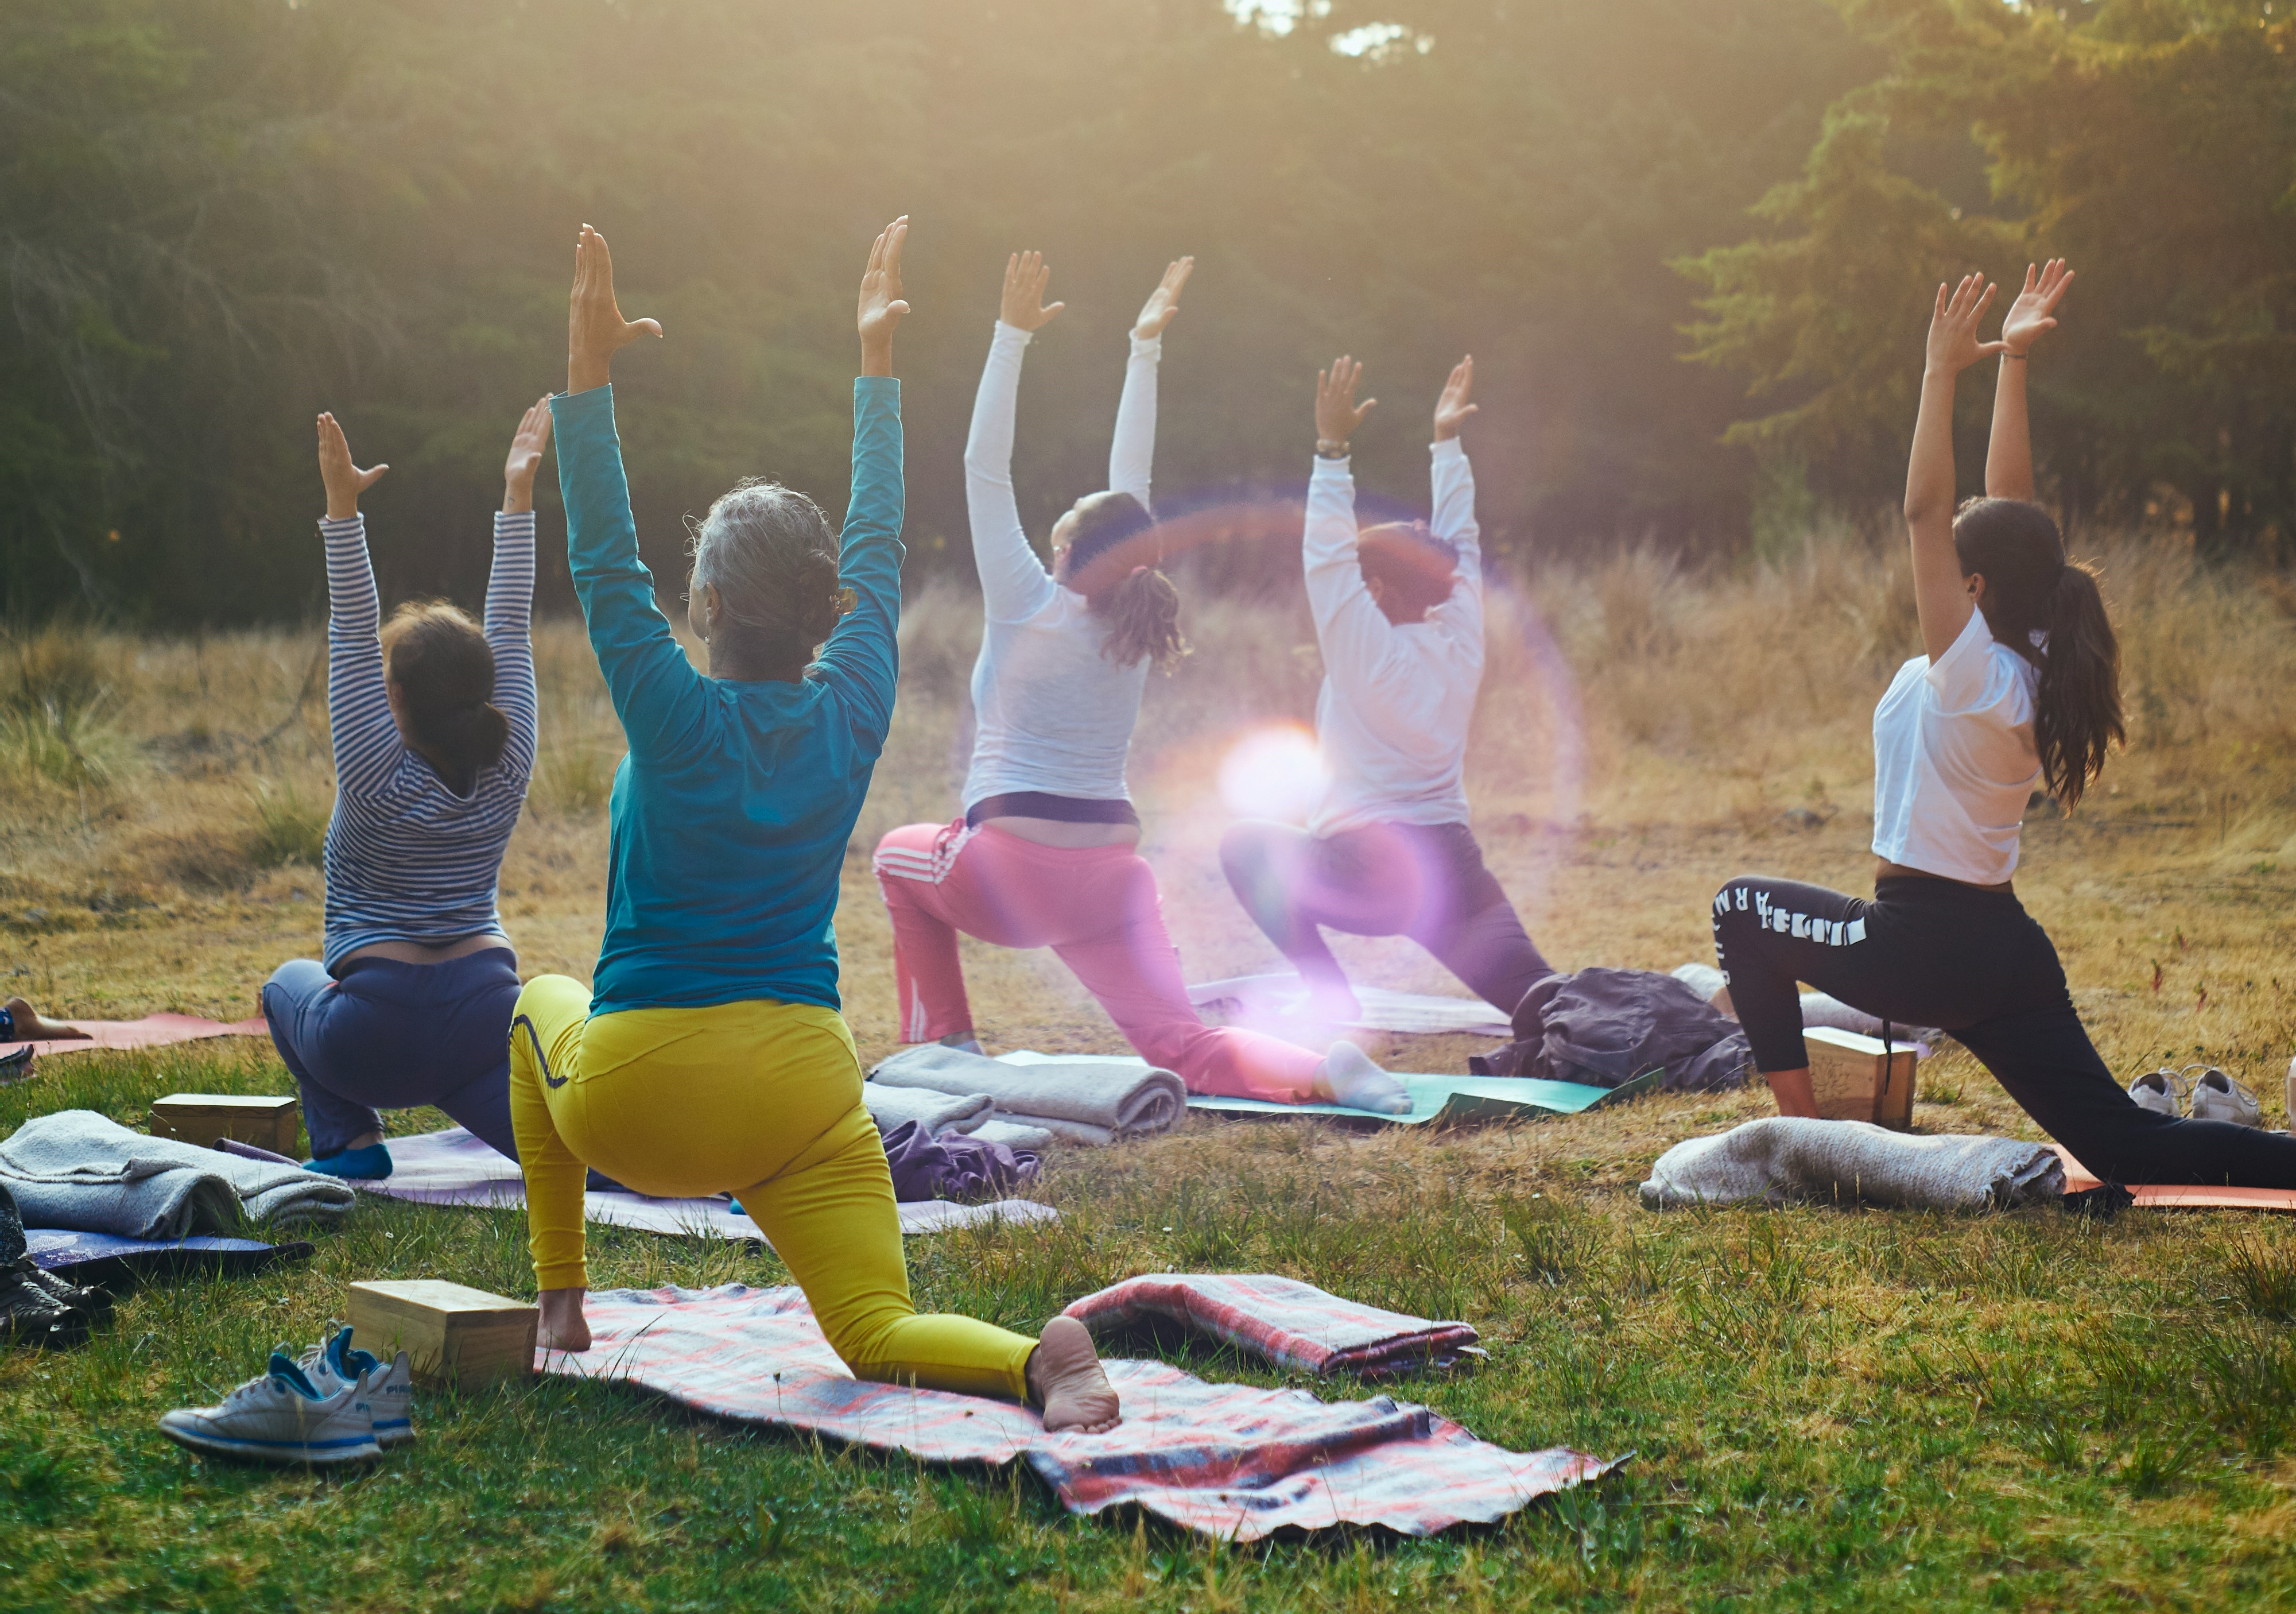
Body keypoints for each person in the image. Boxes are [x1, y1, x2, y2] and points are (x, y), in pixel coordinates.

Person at [509, 220, 1119, 1431]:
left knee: (535, 995)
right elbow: (880, 549)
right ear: (826, 604)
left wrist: (587, 381)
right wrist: (876, 373)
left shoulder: (671, 709)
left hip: (643, 1102)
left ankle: (559, 1299)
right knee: (872, 1330)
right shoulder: (852, 709)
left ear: (712, 604)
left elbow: (601, 558)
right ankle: (1036, 1360)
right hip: (803, 1088)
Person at [1711, 262, 2296, 1187]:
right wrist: (2013, 362)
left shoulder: (1975, 671)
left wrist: (1940, 372)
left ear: (1972, 585)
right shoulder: (2026, 652)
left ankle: (1811, 1142)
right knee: (2127, 1147)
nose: (1941, 561)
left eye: (1956, 562)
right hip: (2001, 952)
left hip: (1922, 947)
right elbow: (2008, 506)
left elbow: (1922, 510)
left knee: (1737, 909)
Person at [871, 253, 1409, 1114]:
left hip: (1006, 872)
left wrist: (1010, 335)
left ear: (1062, 551)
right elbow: (1135, 492)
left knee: (896, 857)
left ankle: (946, 1046)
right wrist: (1143, 348)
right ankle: (1328, 1068)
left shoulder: (1028, 602)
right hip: (1112, 875)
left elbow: (984, 464)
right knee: (1181, 1041)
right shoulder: (1131, 618)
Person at [1219, 355, 1557, 1031]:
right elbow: (1461, 540)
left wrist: (1331, 450)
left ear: (1374, 591)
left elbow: (1325, 558)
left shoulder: (1362, 651)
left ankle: (1329, 996)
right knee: (1550, 1004)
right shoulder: (1461, 638)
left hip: (1366, 874)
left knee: (1243, 846)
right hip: (1452, 874)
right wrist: (1446, 445)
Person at [260, 399, 549, 1179]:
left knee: (284, 984)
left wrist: (343, 507)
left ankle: (351, 1142)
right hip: (489, 1019)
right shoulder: (510, 756)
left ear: (391, 699)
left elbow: (352, 628)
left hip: (372, 1037)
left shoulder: (371, 772)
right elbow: (512, 624)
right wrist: (518, 496)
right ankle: (699, 1165)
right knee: (576, 1154)